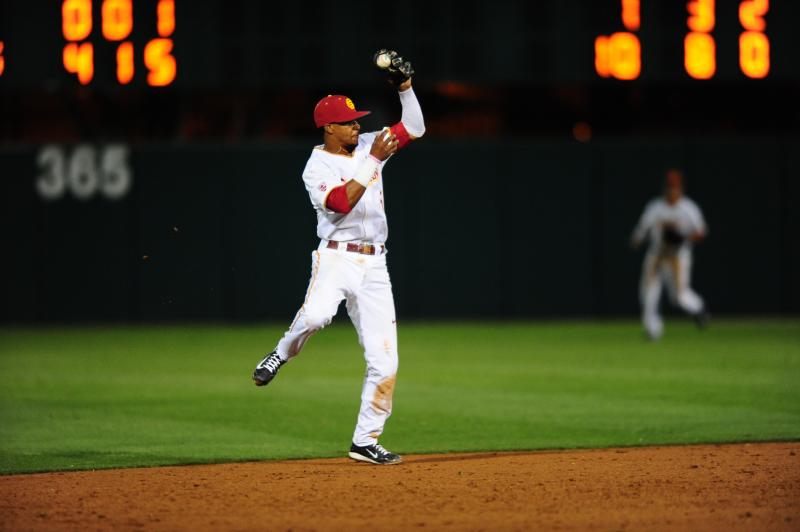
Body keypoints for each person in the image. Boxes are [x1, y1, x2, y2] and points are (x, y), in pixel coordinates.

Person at [251, 51, 424, 465]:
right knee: (315, 317)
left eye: (357, 119)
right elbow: (341, 202)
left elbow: (414, 127)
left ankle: (365, 441)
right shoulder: (317, 166)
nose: (357, 125)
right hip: (336, 259)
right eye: (348, 121)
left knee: (385, 361)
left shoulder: (366, 143)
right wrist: (376, 161)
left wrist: (406, 89)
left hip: (375, 263)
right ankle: (281, 352)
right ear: (328, 128)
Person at [631, 169, 709, 340]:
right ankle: (653, 330)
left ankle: (698, 307)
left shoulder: (688, 208)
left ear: (680, 188)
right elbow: (641, 229)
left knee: (678, 297)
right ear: (665, 188)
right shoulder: (655, 207)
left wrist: (683, 236)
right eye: (669, 187)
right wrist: (637, 239)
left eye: (675, 187)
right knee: (648, 292)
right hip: (657, 255)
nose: (672, 191)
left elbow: (702, 232)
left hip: (678, 257)